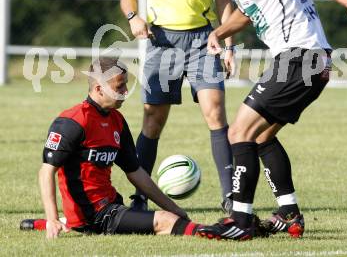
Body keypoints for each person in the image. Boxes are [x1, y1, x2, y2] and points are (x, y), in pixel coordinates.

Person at [190, 0, 347, 238]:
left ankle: (240, 221)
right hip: (310, 62)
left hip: (301, 58)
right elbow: (247, 14)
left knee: (239, 132)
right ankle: (289, 214)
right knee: (260, 138)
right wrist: (218, 32)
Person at [19, 57, 260, 240]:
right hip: (97, 216)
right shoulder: (72, 122)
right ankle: (216, 232)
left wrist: (174, 207)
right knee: (164, 222)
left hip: (110, 206)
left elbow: (136, 173)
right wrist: (51, 219)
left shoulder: (116, 120)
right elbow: (46, 171)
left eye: (125, 85)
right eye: (119, 87)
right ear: (99, 89)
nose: (125, 92)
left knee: (169, 215)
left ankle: (59, 222)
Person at [119, 0, 235, 213]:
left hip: (203, 40)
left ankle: (231, 197)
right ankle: (140, 199)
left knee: (215, 113)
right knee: (153, 120)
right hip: (162, 43)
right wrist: (133, 17)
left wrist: (229, 46)